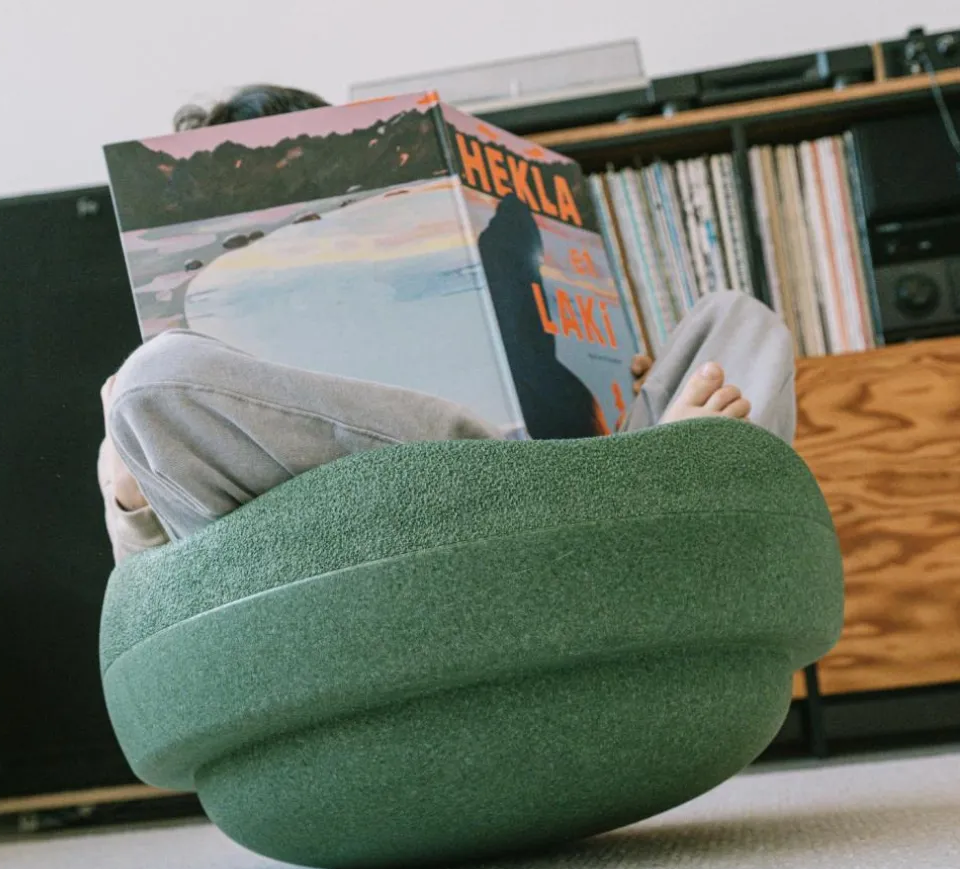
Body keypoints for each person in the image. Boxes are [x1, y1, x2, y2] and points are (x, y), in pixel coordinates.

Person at [98, 84, 796, 565]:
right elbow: (159, 598)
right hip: (352, 544)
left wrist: (610, 384)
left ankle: (623, 494)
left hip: (530, 491)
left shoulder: (419, 258)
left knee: (738, 322)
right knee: (151, 382)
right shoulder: (211, 336)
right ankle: (645, 490)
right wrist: (131, 495)